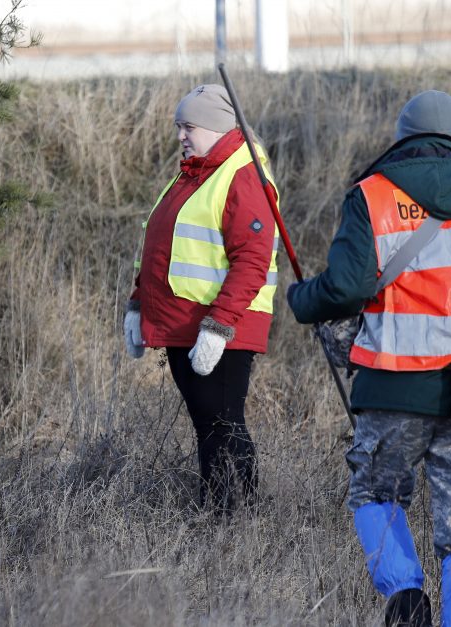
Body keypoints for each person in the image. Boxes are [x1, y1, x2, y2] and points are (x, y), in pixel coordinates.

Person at [286, 90, 451, 626]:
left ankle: (405, 597)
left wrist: (300, 299)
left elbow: (343, 288)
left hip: (391, 388)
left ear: (402, 137)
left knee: (374, 491)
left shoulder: (373, 197)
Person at [123, 84, 280, 515]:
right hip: (183, 324)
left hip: (221, 328)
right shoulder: (196, 172)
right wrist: (138, 303)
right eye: (179, 127)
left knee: (224, 426)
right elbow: (160, 246)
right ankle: (215, 517)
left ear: (214, 126)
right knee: (208, 426)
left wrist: (218, 327)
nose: (181, 136)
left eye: (188, 126)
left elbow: (252, 259)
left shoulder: (242, 174)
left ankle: (236, 521)